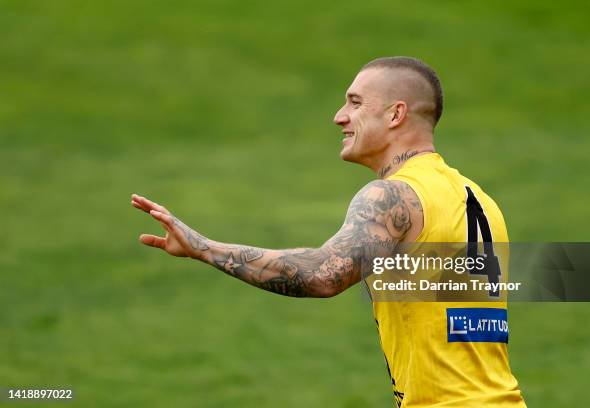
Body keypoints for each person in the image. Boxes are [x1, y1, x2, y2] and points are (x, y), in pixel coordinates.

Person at [131, 56, 526, 407]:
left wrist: (202, 248)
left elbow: (323, 275)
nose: (340, 116)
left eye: (355, 103)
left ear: (395, 114)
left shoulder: (394, 196)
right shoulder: (478, 199)